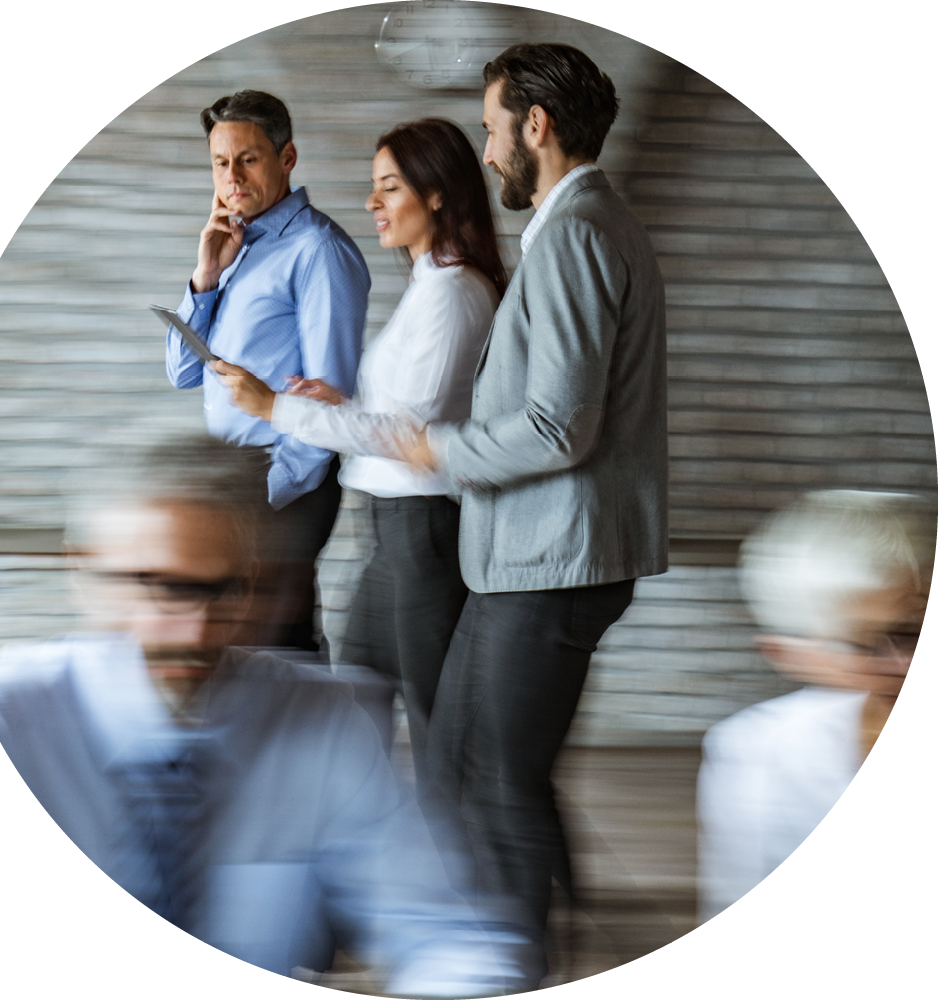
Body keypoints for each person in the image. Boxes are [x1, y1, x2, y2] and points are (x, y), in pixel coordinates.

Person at [0, 435, 540, 992]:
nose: (196, 632)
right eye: (161, 588)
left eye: (226, 591)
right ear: (83, 570)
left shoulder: (331, 721)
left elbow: (438, 928)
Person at [392, 43, 668, 958]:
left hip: (551, 560)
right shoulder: (578, 224)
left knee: (496, 782)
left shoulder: (577, 232)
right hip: (530, 558)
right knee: (468, 763)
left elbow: (558, 427)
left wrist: (443, 448)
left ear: (535, 126)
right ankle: (551, 936)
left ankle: (507, 962)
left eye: (490, 129)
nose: (487, 151)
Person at [214, 118, 506, 777]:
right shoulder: (431, 283)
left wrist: (277, 409)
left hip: (423, 532)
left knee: (437, 730)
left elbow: (409, 437)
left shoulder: (455, 293)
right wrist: (340, 404)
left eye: (389, 187)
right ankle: (352, 830)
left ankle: (451, 843)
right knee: (354, 705)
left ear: (437, 193)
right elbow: (398, 416)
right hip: (392, 532)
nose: (372, 202)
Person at [165, 90, 371, 651]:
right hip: (239, 482)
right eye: (220, 162)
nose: (231, 177)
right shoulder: (238, 244)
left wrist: (265, 493)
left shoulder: (318, 251)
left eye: (248, 159)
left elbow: (330, 403)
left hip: (286, 483)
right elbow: (182, 372)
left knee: (278, 649)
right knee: (242, 650)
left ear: (287, 158)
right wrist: (205, 276)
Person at [696, 490, 934, 922]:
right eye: (863, 643)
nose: (902, 662)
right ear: (789, 653)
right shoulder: (761, 751)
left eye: (912, 632)